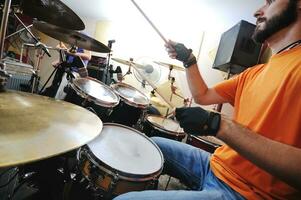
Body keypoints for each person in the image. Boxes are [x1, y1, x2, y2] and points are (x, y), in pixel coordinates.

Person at [114, 0, 301, 199]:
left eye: (270, 1)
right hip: (216, 164)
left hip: (249, 194)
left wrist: (220, 125)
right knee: (149, 144)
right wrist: (189, 60)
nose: (257, 11)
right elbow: (202, 96)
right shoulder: (253, 73)